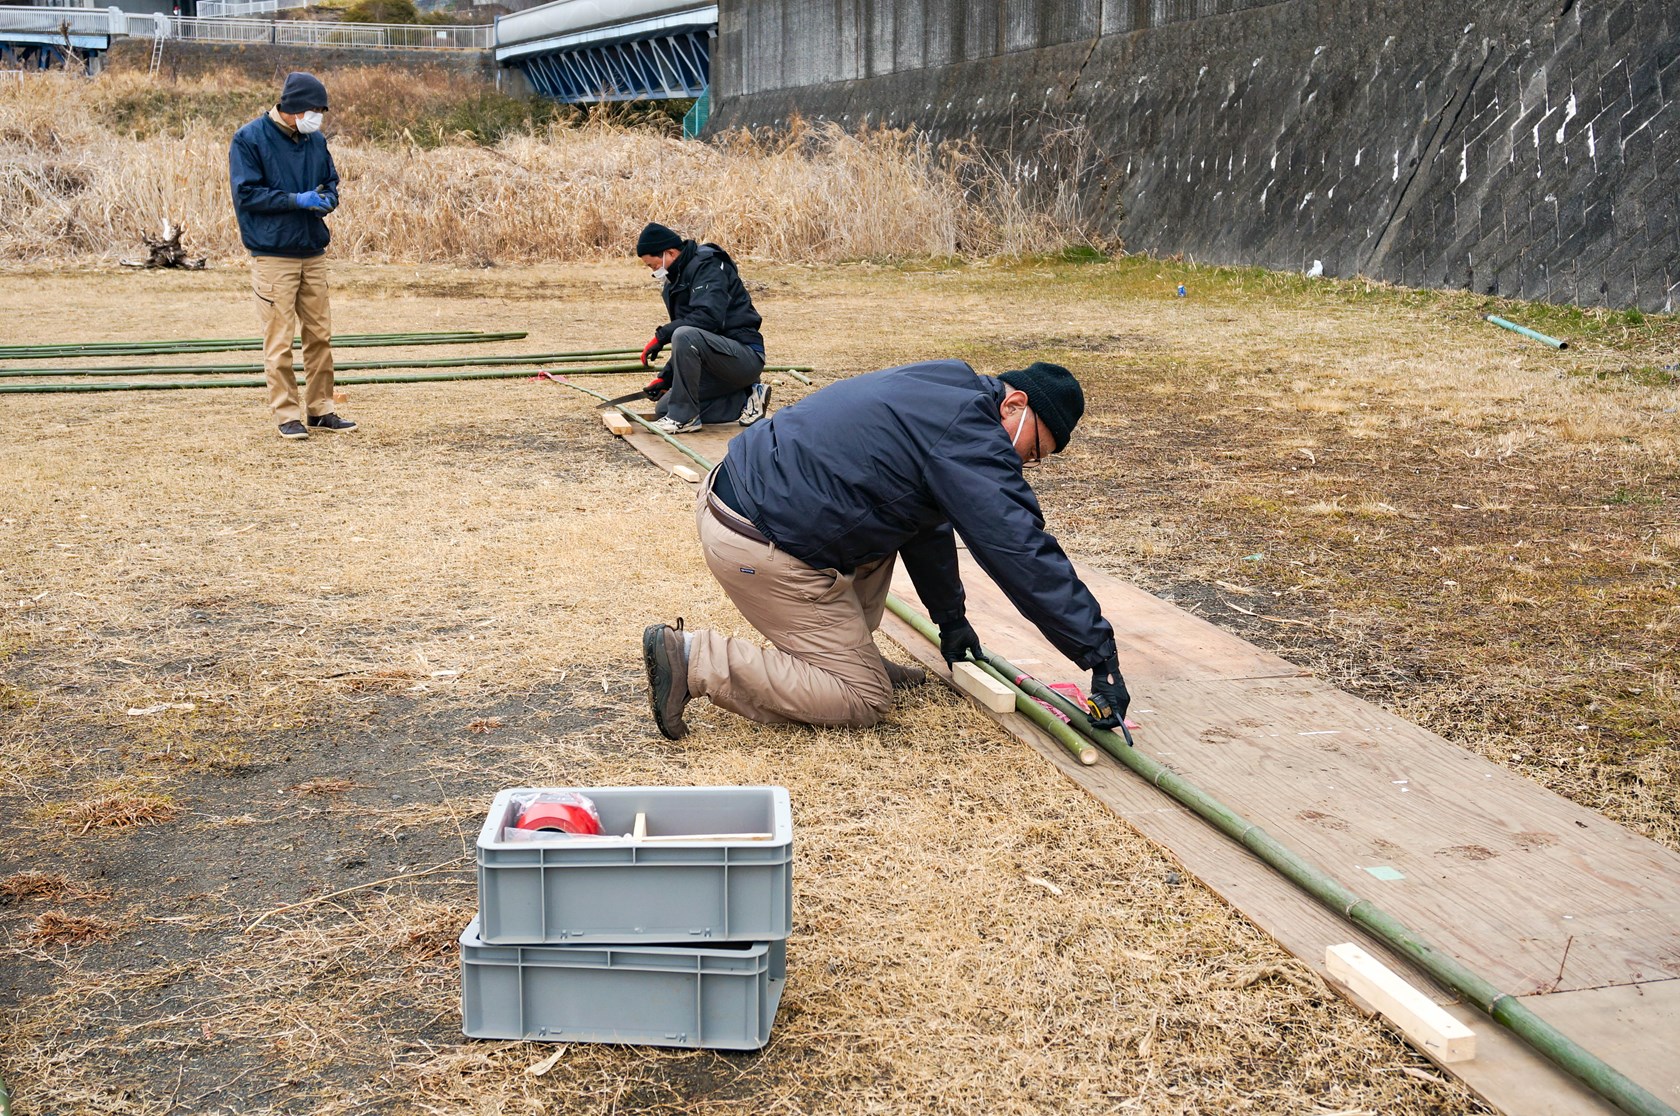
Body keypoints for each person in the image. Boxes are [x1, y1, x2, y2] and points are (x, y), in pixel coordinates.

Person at [641, 359, 1130, 739]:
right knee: (863, 698)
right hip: (757, 537)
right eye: (1032, 450)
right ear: (1014, 404)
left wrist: (951, 620)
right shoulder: (973, 436)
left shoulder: (950, 388)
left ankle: (853, 653)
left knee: (893, 524)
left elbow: (923, 522)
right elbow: (1019, 549)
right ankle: (695, 658)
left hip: (745, 492)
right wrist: (1098, 655)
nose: (1024, 463)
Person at [228, 71, 356, 441]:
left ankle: (321, 409)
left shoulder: (315, 141)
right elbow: (247, 194)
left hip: (312, 249)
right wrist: (294, 200)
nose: (318, 116)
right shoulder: (249, 139)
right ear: (295, 107)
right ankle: (286, 414)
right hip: (273, 254)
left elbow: (331, 181)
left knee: (320, 335)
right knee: (279, 340)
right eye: (315, 108)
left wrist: (327, 199)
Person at [634, 222, 770, 435]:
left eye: (653, 265)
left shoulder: (708, 265)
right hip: (716, 365)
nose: (654, 271)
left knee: (684, 335)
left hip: (744, 356)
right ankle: (746, 397)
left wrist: (661, 336)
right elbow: (692, 340)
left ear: (670, 253)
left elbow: (707, 320)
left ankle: (685, 418)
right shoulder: (674, 282)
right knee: (664, 408)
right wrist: (666, 378)